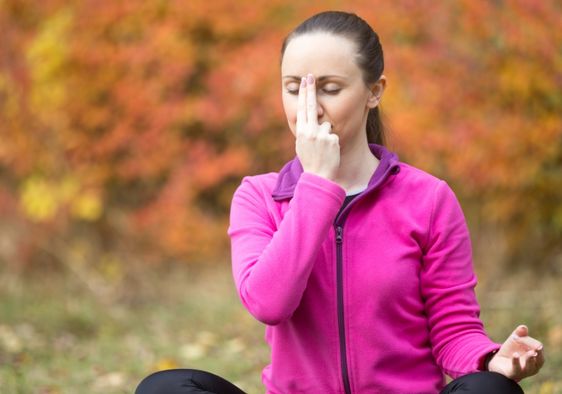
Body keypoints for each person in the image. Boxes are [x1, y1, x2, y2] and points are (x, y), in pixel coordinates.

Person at [135, 10, 545, 394]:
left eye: (330, 89)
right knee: (164, 388)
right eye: (294, 89)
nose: (309, 107)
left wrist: (492, 360)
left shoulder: (429, 198)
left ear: (374, 92)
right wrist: (316, 184)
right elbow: (268, 303)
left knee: (491, 389)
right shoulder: (258, 196)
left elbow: (453, 331)